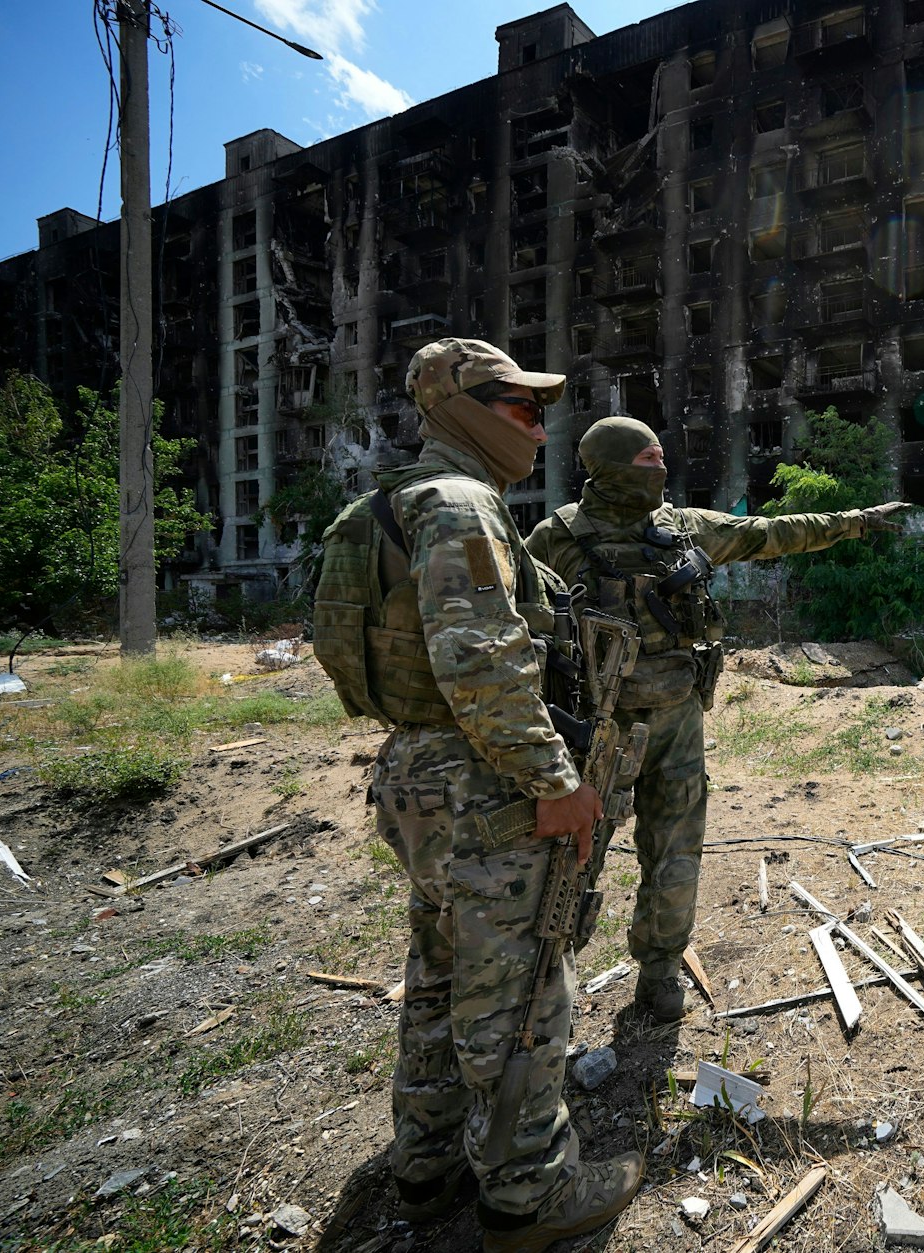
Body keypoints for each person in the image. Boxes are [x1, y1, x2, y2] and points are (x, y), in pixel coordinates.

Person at [316, 339, 643, 1253]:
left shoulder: (382, 505)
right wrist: (557, 782)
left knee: (441, 970)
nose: (539, 427)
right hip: (484, 778)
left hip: (418, 770)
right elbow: (482, 661)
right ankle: (526, 1195)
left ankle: (425, 1166)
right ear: (460, 408)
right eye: (522, 409)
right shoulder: (461, 504)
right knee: (522, 992)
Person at [525, 416, 912, 1023]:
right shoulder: (568, 537)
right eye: (648, 462)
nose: (659, 471)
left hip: (665, 718)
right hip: (597, 726)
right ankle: (571, 981)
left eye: (659, 461)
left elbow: (770, 532)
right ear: (615, 467)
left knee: (661, 853)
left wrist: (852, 523)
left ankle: (638, 977)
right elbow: (519, 624)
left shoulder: (660, 528)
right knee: (589, 855)